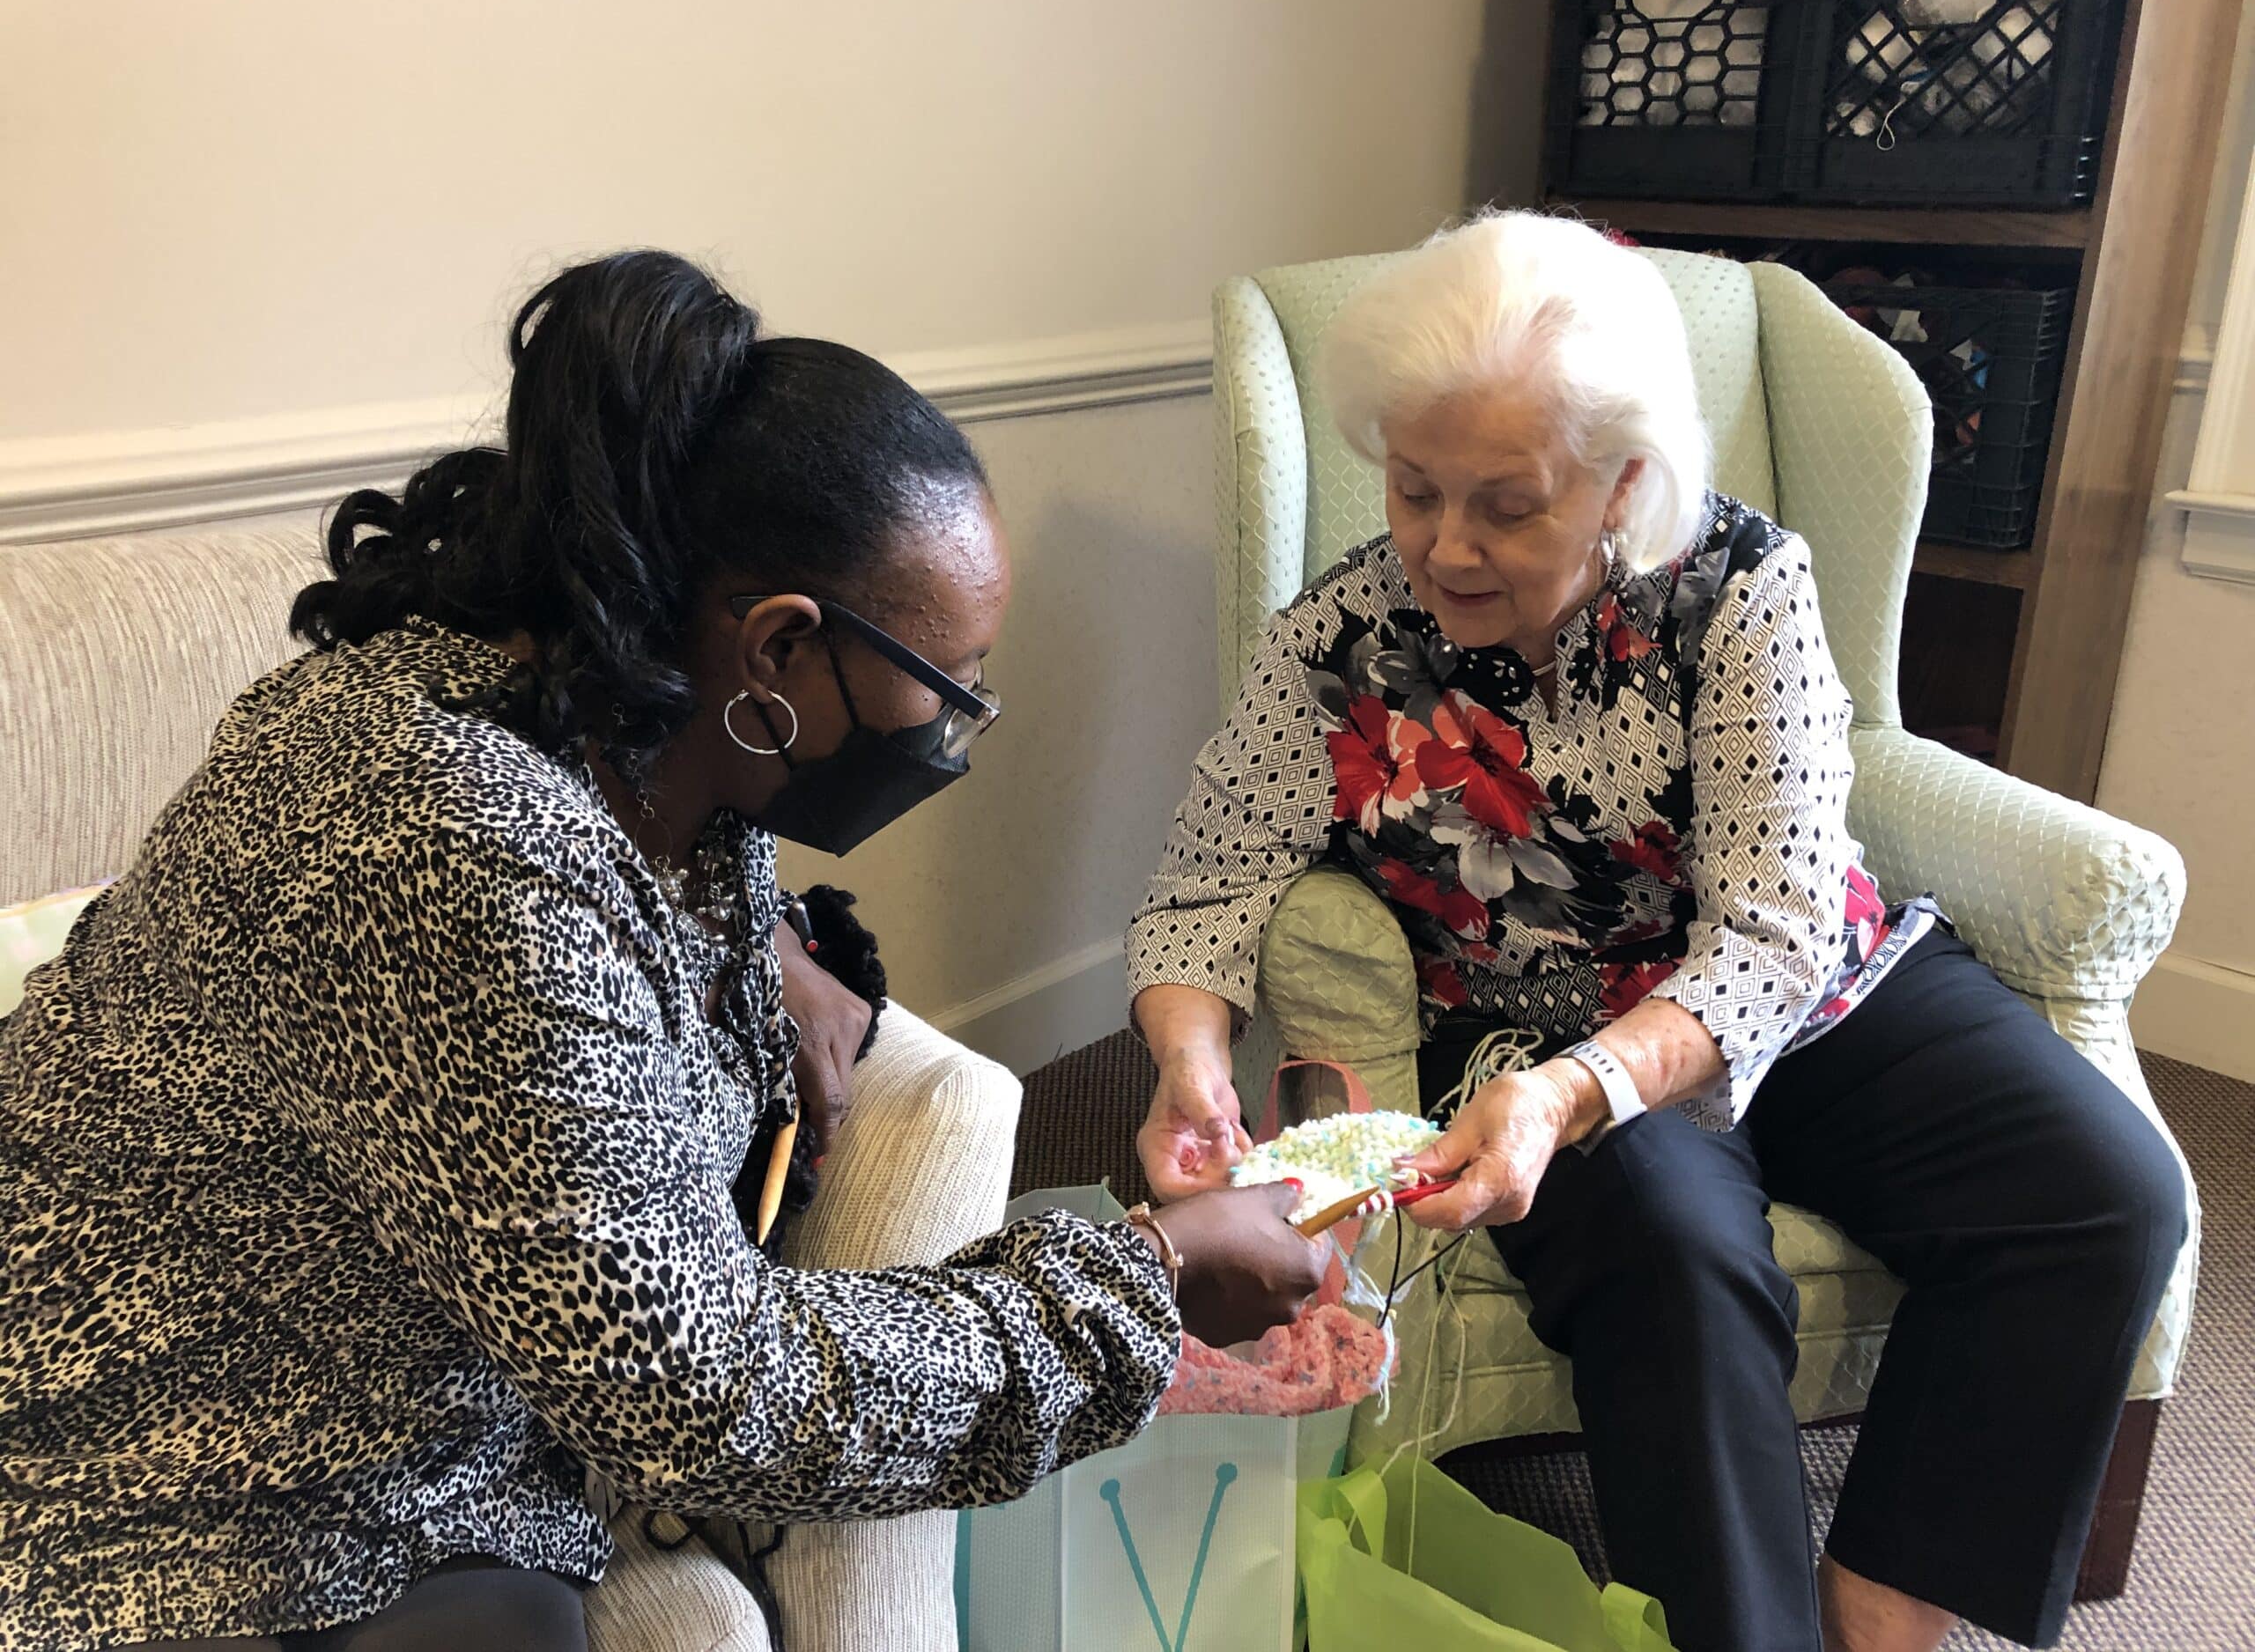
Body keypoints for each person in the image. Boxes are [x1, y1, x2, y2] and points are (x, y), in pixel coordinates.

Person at [0, 251, 1327, 1652]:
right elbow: (701, 1392)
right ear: (777, 647)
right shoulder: (449, 839)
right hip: (132, 1482)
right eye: (948, 691)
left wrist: (766, 942)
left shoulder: (636, 737)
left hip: (403, 1427)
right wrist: (1146, 1276)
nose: (959, 729)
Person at [1127, 211, 2185, 1652]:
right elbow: (1210, 882)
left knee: (2103, 1187)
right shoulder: (1337, 637)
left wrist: (1589, 1086)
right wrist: (1190, 1062)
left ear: (1625, 481)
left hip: (1810, 992)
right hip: (1531, 1030)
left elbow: (1779, 926)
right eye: (1416, 485)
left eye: (1507, 503)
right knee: (1676, 1263)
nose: (1444, 543)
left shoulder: (1744, 588)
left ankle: (1876, 1615)